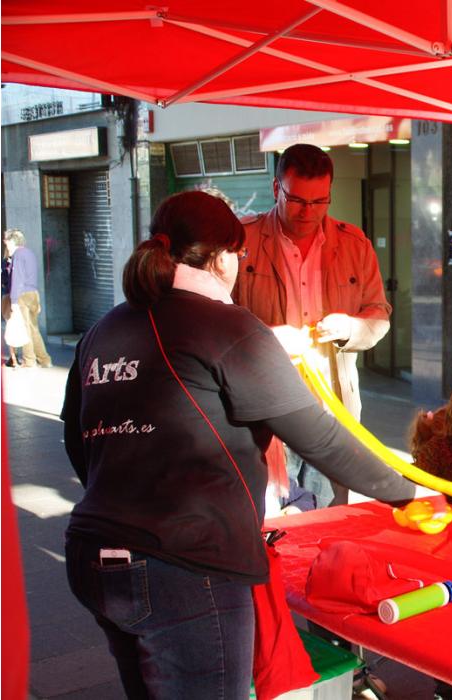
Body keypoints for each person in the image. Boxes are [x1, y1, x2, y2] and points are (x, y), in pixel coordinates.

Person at [59, 191, 415, 700]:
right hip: (188, 567)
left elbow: (77, 439)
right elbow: (321, 438)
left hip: (94, 556)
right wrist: (407, 493)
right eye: (239, 255)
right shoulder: (228, 327)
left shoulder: (103, 329)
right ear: (222, 255)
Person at [234, 143, 391, 510]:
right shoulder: (243, 241)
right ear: (276, 189)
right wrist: (267, 339)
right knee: (275, 519)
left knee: (328, 519)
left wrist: (352, 328)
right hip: (267, 414)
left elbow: (379, 315)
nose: (309, 212)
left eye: (320, 201)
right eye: (298, 200)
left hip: (331, 412)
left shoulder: (354, 244)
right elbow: (215, 318)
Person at [4, 228, 53, 368]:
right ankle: (44, 359)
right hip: (33, 293)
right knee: (33, 328)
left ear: (13, 241)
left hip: (22, 295)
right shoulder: (29, 253)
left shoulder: (18, 255)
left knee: (24, 328)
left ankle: (29, 360)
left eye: (6, 241)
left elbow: (17, 278)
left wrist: (13, 301)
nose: (5, 243)